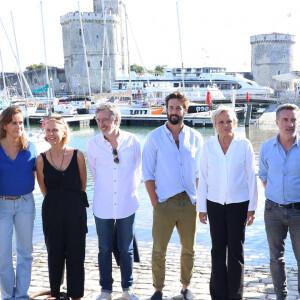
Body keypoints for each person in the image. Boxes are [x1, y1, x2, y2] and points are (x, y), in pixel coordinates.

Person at [142, 92, 203, 300]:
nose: (174, 112)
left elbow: (199, 174)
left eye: (178, 108)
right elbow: (147, 173)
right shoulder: (154, 137)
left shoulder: (196, 137)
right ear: (166, 109)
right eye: (171, 107)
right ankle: (158, 290)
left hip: (189, 202)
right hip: (164, 202)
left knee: (189, 249)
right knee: (159, 249)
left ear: (185, 110)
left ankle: (185, 287)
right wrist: (155, 203)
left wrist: (200, 202)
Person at [197, 106, 258, 300]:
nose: (225, 125)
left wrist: (252, 207)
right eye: (221, 122)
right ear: (215, 124)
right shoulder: (208, 146)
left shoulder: (244, 144)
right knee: (217, 249)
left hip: (239, 204)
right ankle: (218, 294)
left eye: (229, 121)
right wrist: (201, 208)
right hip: (214, 203)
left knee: (235, 251)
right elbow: (203, 178)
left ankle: (235, 295)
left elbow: (252, 177)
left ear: (235, 123)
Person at [86, 102, 141, 300]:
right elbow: (94, 173)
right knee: (104, 249)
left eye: (105, 119)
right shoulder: (92, 145)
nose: (101, 123)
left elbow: (138, 170)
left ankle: (128, 289)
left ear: (116, 120)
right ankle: (106, 290)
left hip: (127, 203)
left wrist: (128, 192)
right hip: (103, 204)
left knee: (126, 249)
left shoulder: (132, 141)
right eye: (98, 120)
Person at [36, 116, 88, 300]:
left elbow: (83, 184)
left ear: (64, 131)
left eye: (55, 130)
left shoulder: (78, 155)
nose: (51, 134)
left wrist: (71, 203)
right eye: (48, 130)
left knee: (76, 256)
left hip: (76, 211)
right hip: (52, 212)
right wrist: (57, 203)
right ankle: (56, 294)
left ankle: (76, 296)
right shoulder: (41, 159)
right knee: (54, 254)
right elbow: (43, 188)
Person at [258, 103, 300, 300]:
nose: (289, 124)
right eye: (285, 119)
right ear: (277, 122)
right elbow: (264, 176)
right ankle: (280, 296)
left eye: (293, 120)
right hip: (273, 211)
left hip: (298, 211)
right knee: (276, 258)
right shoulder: (266, 148)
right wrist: (277, 198)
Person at [0, 106, 37, 300]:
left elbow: (38, 173)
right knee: (3, 257)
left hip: (25, 203)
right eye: (14, 122)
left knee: (25, 252)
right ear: (4, 125)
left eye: (21, 122)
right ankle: (7, 296)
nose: (18, 126)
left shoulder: (30, 146)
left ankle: (21, 295)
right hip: (1, 206)